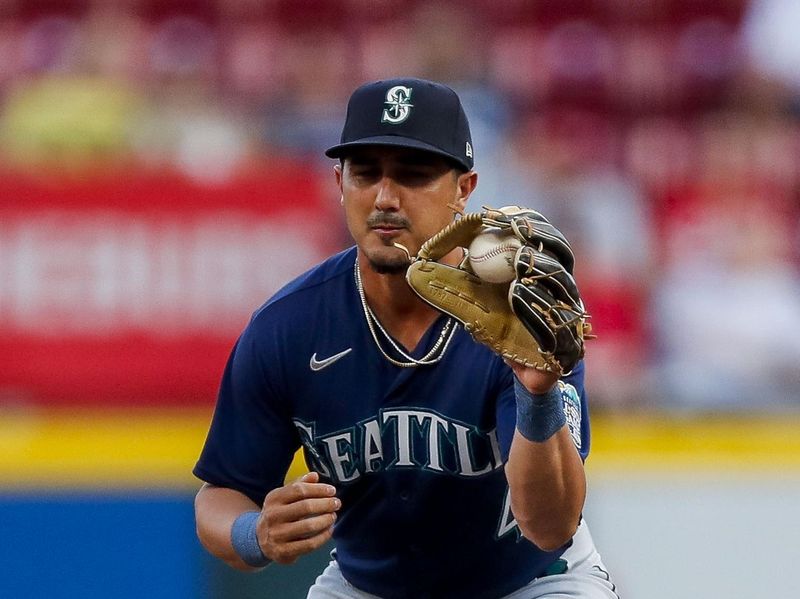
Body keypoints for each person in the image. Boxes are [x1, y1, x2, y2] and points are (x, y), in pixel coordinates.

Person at [193, 78, 618, 599]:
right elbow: (221, 495)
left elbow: (550, 526)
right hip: (369, 587)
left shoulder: (522, 313)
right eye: (366, 173)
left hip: (529, 581)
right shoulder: (289, 326)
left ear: (464, 189)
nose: (386, 198)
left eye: (414, 175)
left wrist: (538, 395)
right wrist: (254, 534)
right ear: (339, 181)